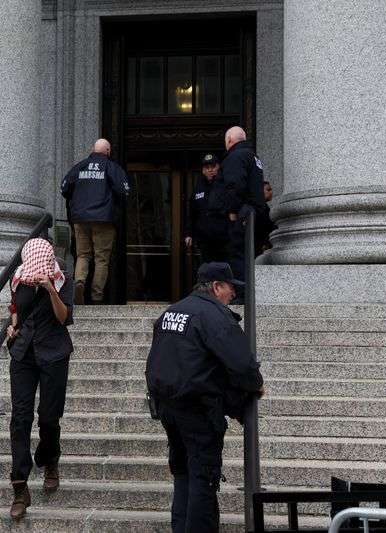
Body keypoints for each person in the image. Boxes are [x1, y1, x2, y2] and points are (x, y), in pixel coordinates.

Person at [145, 262, 264, 533]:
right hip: (198, 409)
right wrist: (256, 385)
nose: (233, 295)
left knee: (183, 476)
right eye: (231, 288)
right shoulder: (214, 316)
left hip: (169, 407)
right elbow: (243, 365)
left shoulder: (171, 312)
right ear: (216, 286)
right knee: (203, 479)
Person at [5, 237, 74, 520]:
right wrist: (12, 327)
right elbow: (14, 309)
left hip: (54, 352)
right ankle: (20, 487)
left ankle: (50, 459)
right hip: (24, 353)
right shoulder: (19, 278)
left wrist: (50, 290)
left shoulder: (61, 280)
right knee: (20, 418)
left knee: (48, 416)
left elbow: (64, 317)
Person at [60, 138, 129, 304]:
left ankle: (79, 282)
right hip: (104, 219)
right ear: (108, 151)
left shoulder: (79, 167)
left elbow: (64, 188)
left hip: (80, 219)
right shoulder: (113, 168)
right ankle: (97, 296)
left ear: (93, 149)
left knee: (83, 255)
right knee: (101, 258)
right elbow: (124, 191)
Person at [219, 126, 267, 302]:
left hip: (243, 213)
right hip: (254, 213)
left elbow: (234, 185)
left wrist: (232, 211)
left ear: (230, 140)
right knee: (248, 254)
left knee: (238, 254)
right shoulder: (253, 156)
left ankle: (241, 295)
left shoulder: (236, 156)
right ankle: (248, 294)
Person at [184, 153, 230, 264]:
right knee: (207, 271)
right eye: (207, 168)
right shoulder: (198, 188)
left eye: (213, 167)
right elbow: (192, 212)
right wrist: (189, 233)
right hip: (205, 240)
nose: (210, 170)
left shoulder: (225, 185)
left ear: (218, 167)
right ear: (203, 170)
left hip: (223, 239)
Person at [254, 180, 278, 256]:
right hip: (259, 247)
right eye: (268, 190)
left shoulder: (264, 207)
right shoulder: (260, 208)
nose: (271, 192)